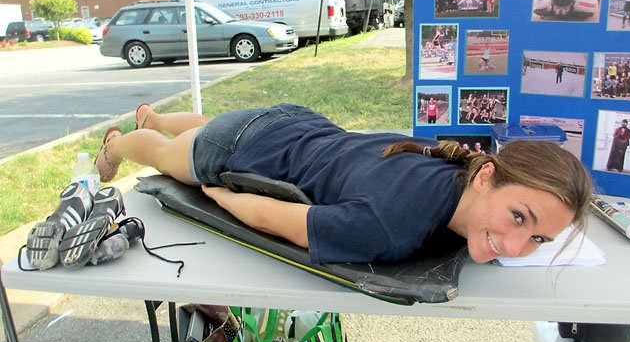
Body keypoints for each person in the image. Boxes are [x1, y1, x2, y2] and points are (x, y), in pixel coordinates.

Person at [95, 103, 593, 265]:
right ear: (486, 177)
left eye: (537, 239)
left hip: (291, 120)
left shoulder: (451, 161)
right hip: (244, 149)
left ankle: (156, 114)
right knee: (166, 156)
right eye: (519, 217)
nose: (514, 246)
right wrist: (222, 194)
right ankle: (120, 142)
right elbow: (277, 219)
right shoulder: (388, 229)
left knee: (214, 125)